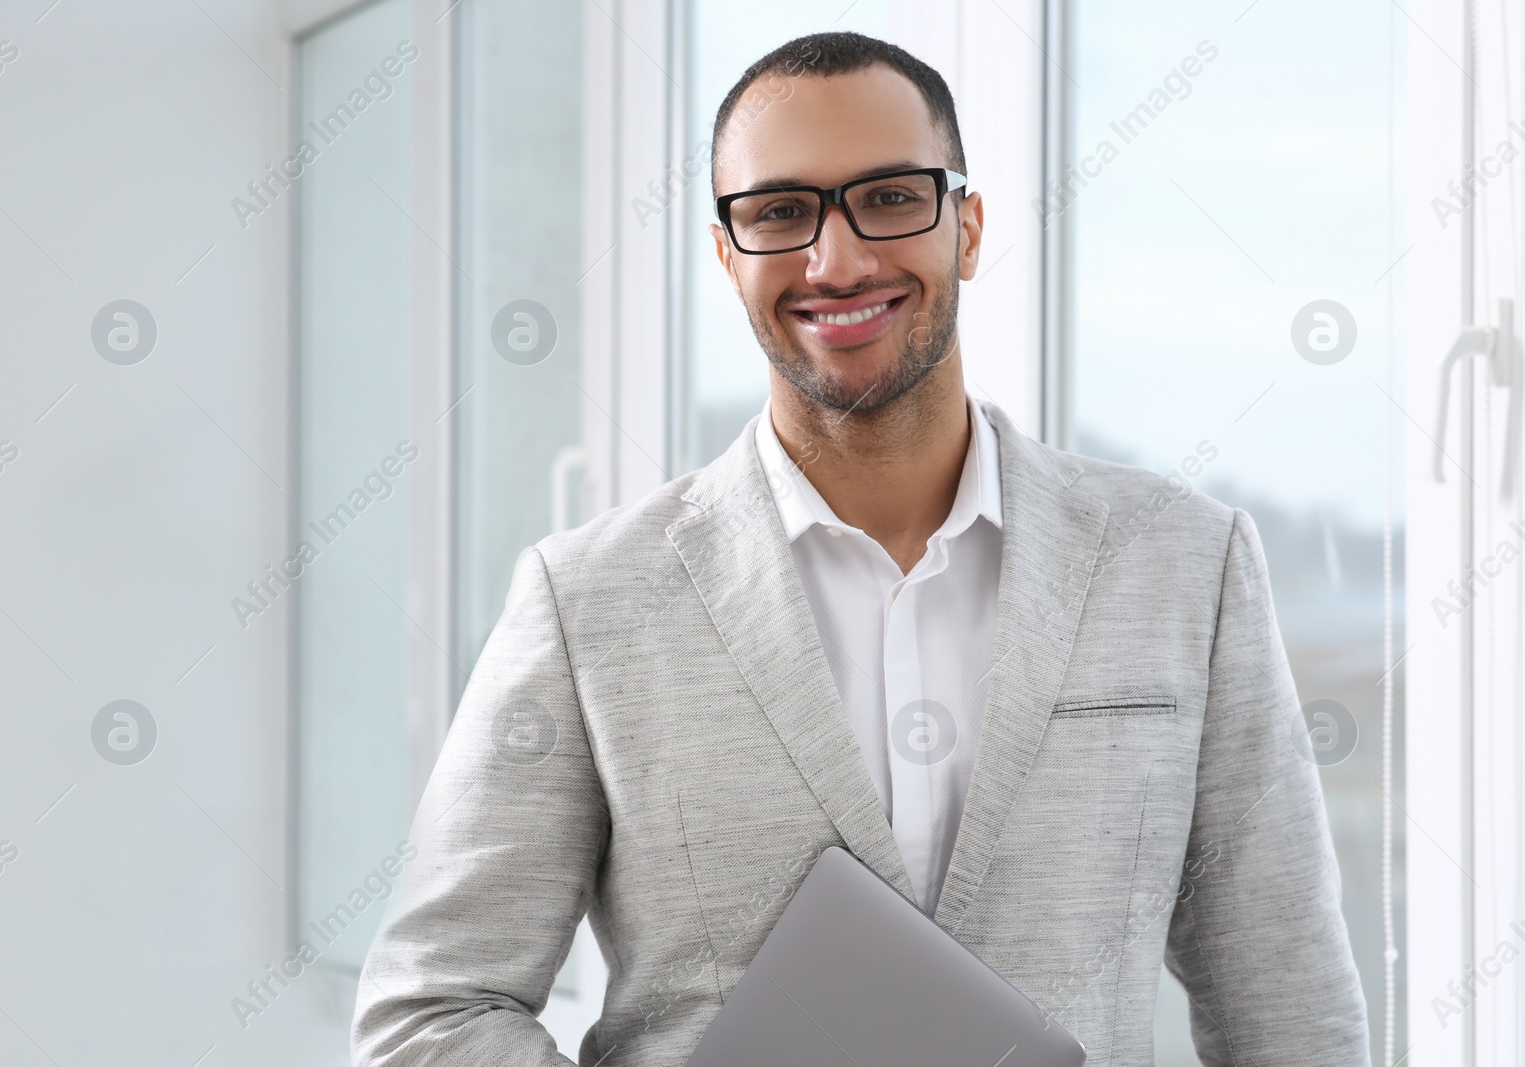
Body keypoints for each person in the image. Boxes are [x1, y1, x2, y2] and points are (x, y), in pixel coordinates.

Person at [351, 30, 1371, 1066]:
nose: (834, 261)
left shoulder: (1184, 567)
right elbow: (429, 1015)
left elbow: (1291, 1017)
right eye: (780, 212)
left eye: (889, 197)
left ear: (966, 228)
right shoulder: (587, 599)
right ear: (725, 252)